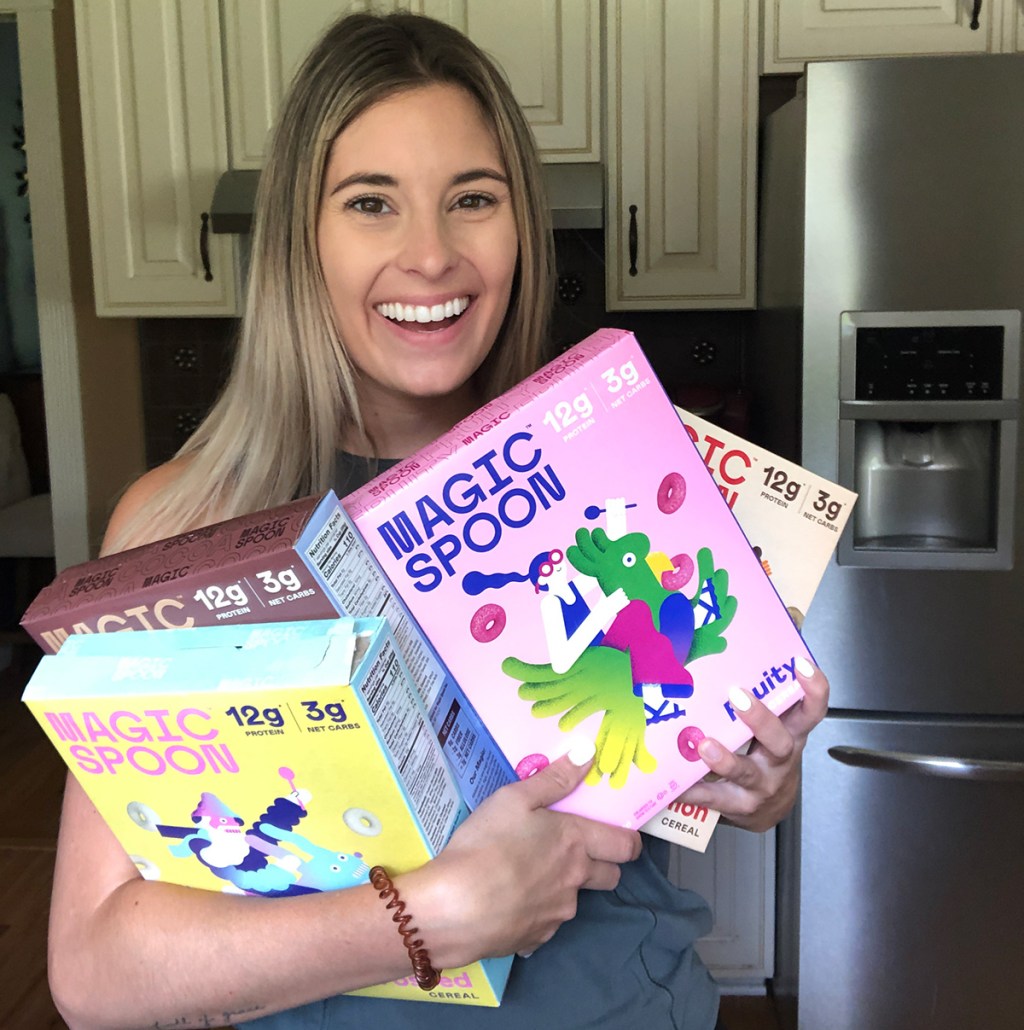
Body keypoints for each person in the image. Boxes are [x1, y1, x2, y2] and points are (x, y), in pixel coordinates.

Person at [47, 12, 829, 1030]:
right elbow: (96, 970)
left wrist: (755, 778)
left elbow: (684, 774)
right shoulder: (187, 525)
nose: (431, 255)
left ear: (520, 228)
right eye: (371, 203)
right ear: (301, 239)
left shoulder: (618, 466)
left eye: (473, 199)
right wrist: (436, 913)